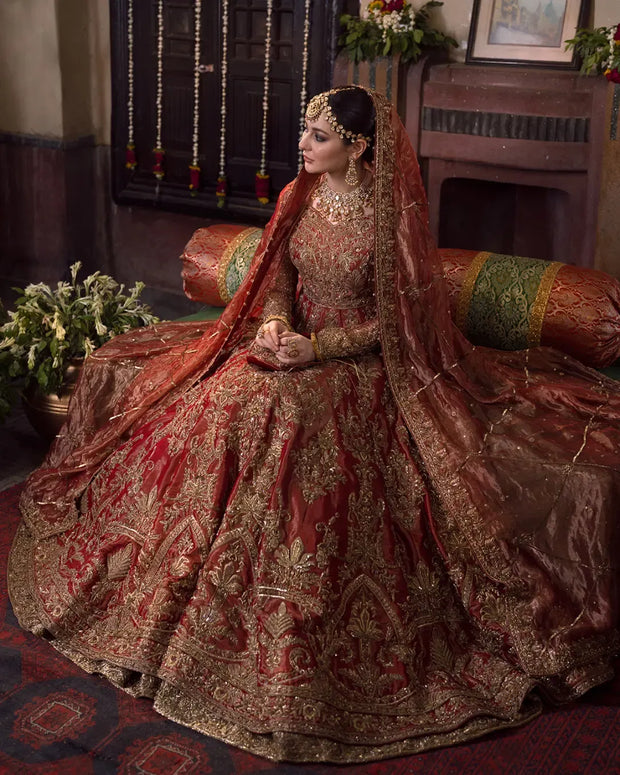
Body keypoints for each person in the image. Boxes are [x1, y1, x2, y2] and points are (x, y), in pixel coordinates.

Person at [8, 86, 620, 764]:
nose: (302, 144)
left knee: (293, 419)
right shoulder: (298, 197)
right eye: (305, 129)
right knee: (228, 396)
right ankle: (175, 583)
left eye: (318, 135)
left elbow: (398, 325)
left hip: (360, 368)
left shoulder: (388, 221)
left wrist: (318, 349)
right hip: (289, 346)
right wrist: (275, 324)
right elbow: (277, 278)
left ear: (357, 148)